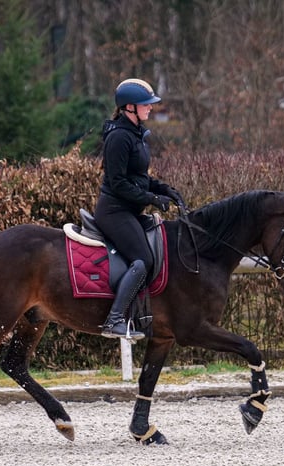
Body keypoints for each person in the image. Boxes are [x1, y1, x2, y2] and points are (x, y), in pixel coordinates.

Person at [95, 78, 183, 339]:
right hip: (114, 211)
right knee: (143, 260)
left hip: (130, 210)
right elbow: (118, 183)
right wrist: (151, 198)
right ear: (130, 107)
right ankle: (114, 320)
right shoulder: (119, 137)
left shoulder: (136, 135)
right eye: (146, 105)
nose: (151, 108)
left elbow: (139, 177)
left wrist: (164, 190)